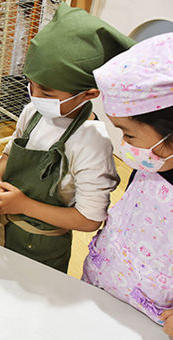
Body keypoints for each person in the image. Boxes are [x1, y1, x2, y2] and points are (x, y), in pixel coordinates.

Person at [0, 3, 135, 273]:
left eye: (47, 93)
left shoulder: (92, 143)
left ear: (89, 93)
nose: (34, 95)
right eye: (31, 83)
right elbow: (10, 150)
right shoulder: (33, 112)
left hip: (42, 253)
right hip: (4, 231)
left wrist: (23, 205)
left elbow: (89, 219)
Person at [82, 33, 173, 338]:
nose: (123, 144)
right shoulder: (154, 163)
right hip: (103, 281)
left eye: (129, 135)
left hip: (148, 318)